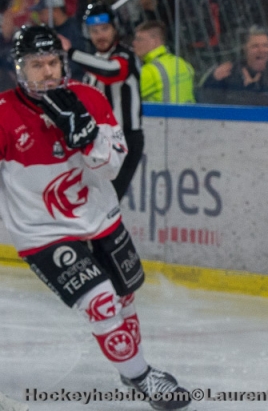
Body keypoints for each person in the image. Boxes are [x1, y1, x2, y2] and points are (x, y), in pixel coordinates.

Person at [0, 25, 189, 410]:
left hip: (101, 219)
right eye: (37, 65)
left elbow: (112, 167)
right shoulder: (3, 113)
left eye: (53, 62)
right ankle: (142, 375)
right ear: (20, 68)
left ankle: (130, 368)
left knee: (124, 296)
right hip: (42, 232)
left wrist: (86, 137)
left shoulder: (90, 97)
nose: (47, 72)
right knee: (100, 301)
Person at [68, 2, 144, 199]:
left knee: (108, 199)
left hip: (125, 139)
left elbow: (111, 72)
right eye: (94, 31)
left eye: (104, 29)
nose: (100, 35)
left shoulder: (126, 55)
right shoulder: (91, 67)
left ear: (115, 29)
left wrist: (71, 53)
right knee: (93, 199)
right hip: (96, 140)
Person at [199, 26, 268, 106]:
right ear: (245, 49)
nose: (261, 50)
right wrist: (214, 80)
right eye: (255, 46)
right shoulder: (227, 73)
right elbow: (206, 102)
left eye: (265, 45)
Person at [133, 20, 195, 104]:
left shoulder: (149, 71)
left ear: (154, 41)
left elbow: (122, 97)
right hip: (188, 112)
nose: (134, 43)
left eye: (139, 39)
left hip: (163, 113)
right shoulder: (182, 63)